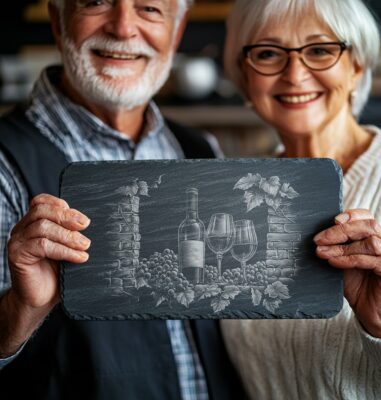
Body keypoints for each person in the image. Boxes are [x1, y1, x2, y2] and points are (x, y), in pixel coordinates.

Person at [0, 1, 245, 399]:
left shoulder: (200, 149)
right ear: (58, 22)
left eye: (149, 8)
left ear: (176, 32)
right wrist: (21, 309)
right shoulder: (4, 160)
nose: (123, 27)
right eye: (96, 2)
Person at [222, 0, 381, 399]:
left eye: (320, 50)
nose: (295, 74)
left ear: (356, 67)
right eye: (268, 53)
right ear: (245, 77)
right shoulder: (234, 194)